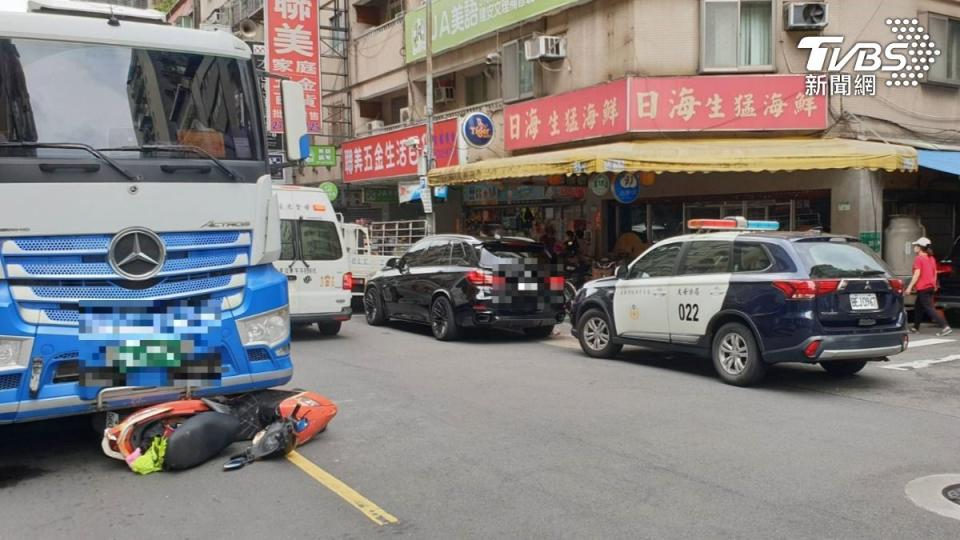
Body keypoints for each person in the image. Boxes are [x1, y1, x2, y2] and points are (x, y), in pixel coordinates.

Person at [905, 237, 952, 337]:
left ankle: (945, 326)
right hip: (930, 287)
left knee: (929, 308)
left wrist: (909, 287)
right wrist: (934, 284)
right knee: (918, 306)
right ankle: (915, 328)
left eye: (916, 246)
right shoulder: (931, 258)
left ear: (920, 247)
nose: (914, 247)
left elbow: (917, 274)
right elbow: (934, 273)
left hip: (923, 287)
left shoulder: (919, 259)